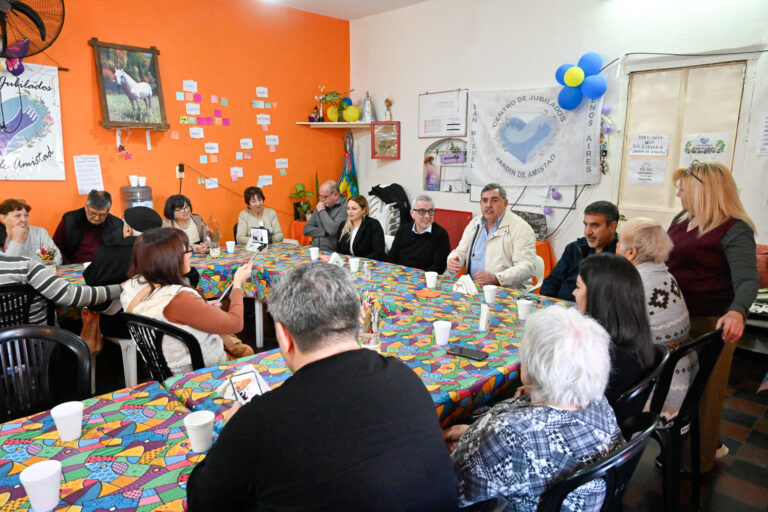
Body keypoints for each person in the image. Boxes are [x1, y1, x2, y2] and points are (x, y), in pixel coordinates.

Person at [187, 262, 458, 511]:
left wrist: (231, 432)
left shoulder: (258, 420)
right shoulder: (404, 376)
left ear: (283, 336)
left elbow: (203, 501)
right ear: (355, 319)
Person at [445, 306, 621, 510]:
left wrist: (476, 441)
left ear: (534, 365)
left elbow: (451, 493)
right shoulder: (600, 404)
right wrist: (475, 437)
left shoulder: (510, 434)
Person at [667, 160, 759, 468]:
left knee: (706, 393)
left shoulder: (735, 229)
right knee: (677, 389)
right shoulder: (682, 219)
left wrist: (737, 312)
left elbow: (747, 280)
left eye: (684, 188)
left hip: (713, 323)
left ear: (703, 191)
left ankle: (699, 461)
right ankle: (686, 444)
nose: (679, 194)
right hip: (677, 318)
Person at [120, 228, 253, 375]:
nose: (190, 255)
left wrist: (203, 307)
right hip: (200, 372)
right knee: (248, 353)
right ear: (169, 260)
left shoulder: (131, 286)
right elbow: (236, 323)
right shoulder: (180, 298)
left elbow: (164, 315)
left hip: (162, 369)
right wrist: (238, 284)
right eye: (185, 252)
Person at [617, 216, 693, 423]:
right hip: (680, 370)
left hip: (659, 385)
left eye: (618, 243)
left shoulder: (635, 284)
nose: (615, 247)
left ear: (631, 252)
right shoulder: (665, 276)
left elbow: (615, 335)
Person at [84, 207, 200, 338]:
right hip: (161, 324)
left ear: (128, 229)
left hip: (117, 324)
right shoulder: (165, 252)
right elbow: (190, 277)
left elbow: (91, 284)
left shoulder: (105, 252)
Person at [573, 252, 656, 424]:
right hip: (615, 425)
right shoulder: (634, 335)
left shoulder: (603, 355)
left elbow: (570, 404)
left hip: (594, 430)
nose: (574, 293)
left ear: (599, 297)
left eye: (578, 286)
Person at [446, 183, 537, 287]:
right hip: (472, 287)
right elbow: (460, 252)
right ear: (480, 203)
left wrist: (497, 278)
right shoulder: (475, 223)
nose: (488, 205)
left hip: (506, 290)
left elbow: (527, 267)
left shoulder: (521, 228)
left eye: (494, 200)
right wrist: (455, 259)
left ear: (505, 203)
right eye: (484, 200)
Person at [0, 254, 121, 325]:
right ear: (5, 243)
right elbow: (73, 296)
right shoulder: (26, 266)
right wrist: (120, 288)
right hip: (36, 341)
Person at [540, 201, 619, 301]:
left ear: (612, 226)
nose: (587, 232)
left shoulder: (621, 254)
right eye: (586, 225)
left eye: (595, 226)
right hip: (560, 309)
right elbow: (552, 282)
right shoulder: (574, 248)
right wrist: (544, 305)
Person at [52, 190, 124, 264]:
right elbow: (55, 247)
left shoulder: (117, 224)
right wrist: (68, 266)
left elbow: (120, 253)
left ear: (108, 211)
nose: (97, 218)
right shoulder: (70, 220)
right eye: (92, 213)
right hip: (74, 267)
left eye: (102, 214)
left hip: (104, 268)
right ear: (86, 207)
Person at [387, 194, 450, 273]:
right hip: (399, 274)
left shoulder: (441, 234)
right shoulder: (403, 230)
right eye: (422, 211)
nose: (427, 216)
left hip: (423, 279)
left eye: (431, 211)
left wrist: (414, 276)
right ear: (412, 213)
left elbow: (439, 267)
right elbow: (391, 257)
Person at [0, 199, 62, 265]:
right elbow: (5, 266)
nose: (24, 220)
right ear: (3, 218)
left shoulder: (40, 232)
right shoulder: (1, 236)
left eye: (26, 215)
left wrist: (42, 269)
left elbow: (57, 258)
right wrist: (16, 241)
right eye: (17, 216)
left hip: (40, 273)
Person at [335, 195, 386, 261]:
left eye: (354, 209)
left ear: (364, 210)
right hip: (349, 264)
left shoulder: (373, 225)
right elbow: (338, 249)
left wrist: (359, 262)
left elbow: (378, 252)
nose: (349, 212)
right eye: (348, 208)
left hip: (369, 264)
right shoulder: (343, 225)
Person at [303, 180, 348, 251]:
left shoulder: (345, 207)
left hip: (333, 252)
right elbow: (306, 230)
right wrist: (324, 232)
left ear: (335, 195)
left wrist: (322, 211)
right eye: (320, 197)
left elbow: (333, 230)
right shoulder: (322, 204)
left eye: (324, 197)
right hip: (314, 249)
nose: (322, 200)